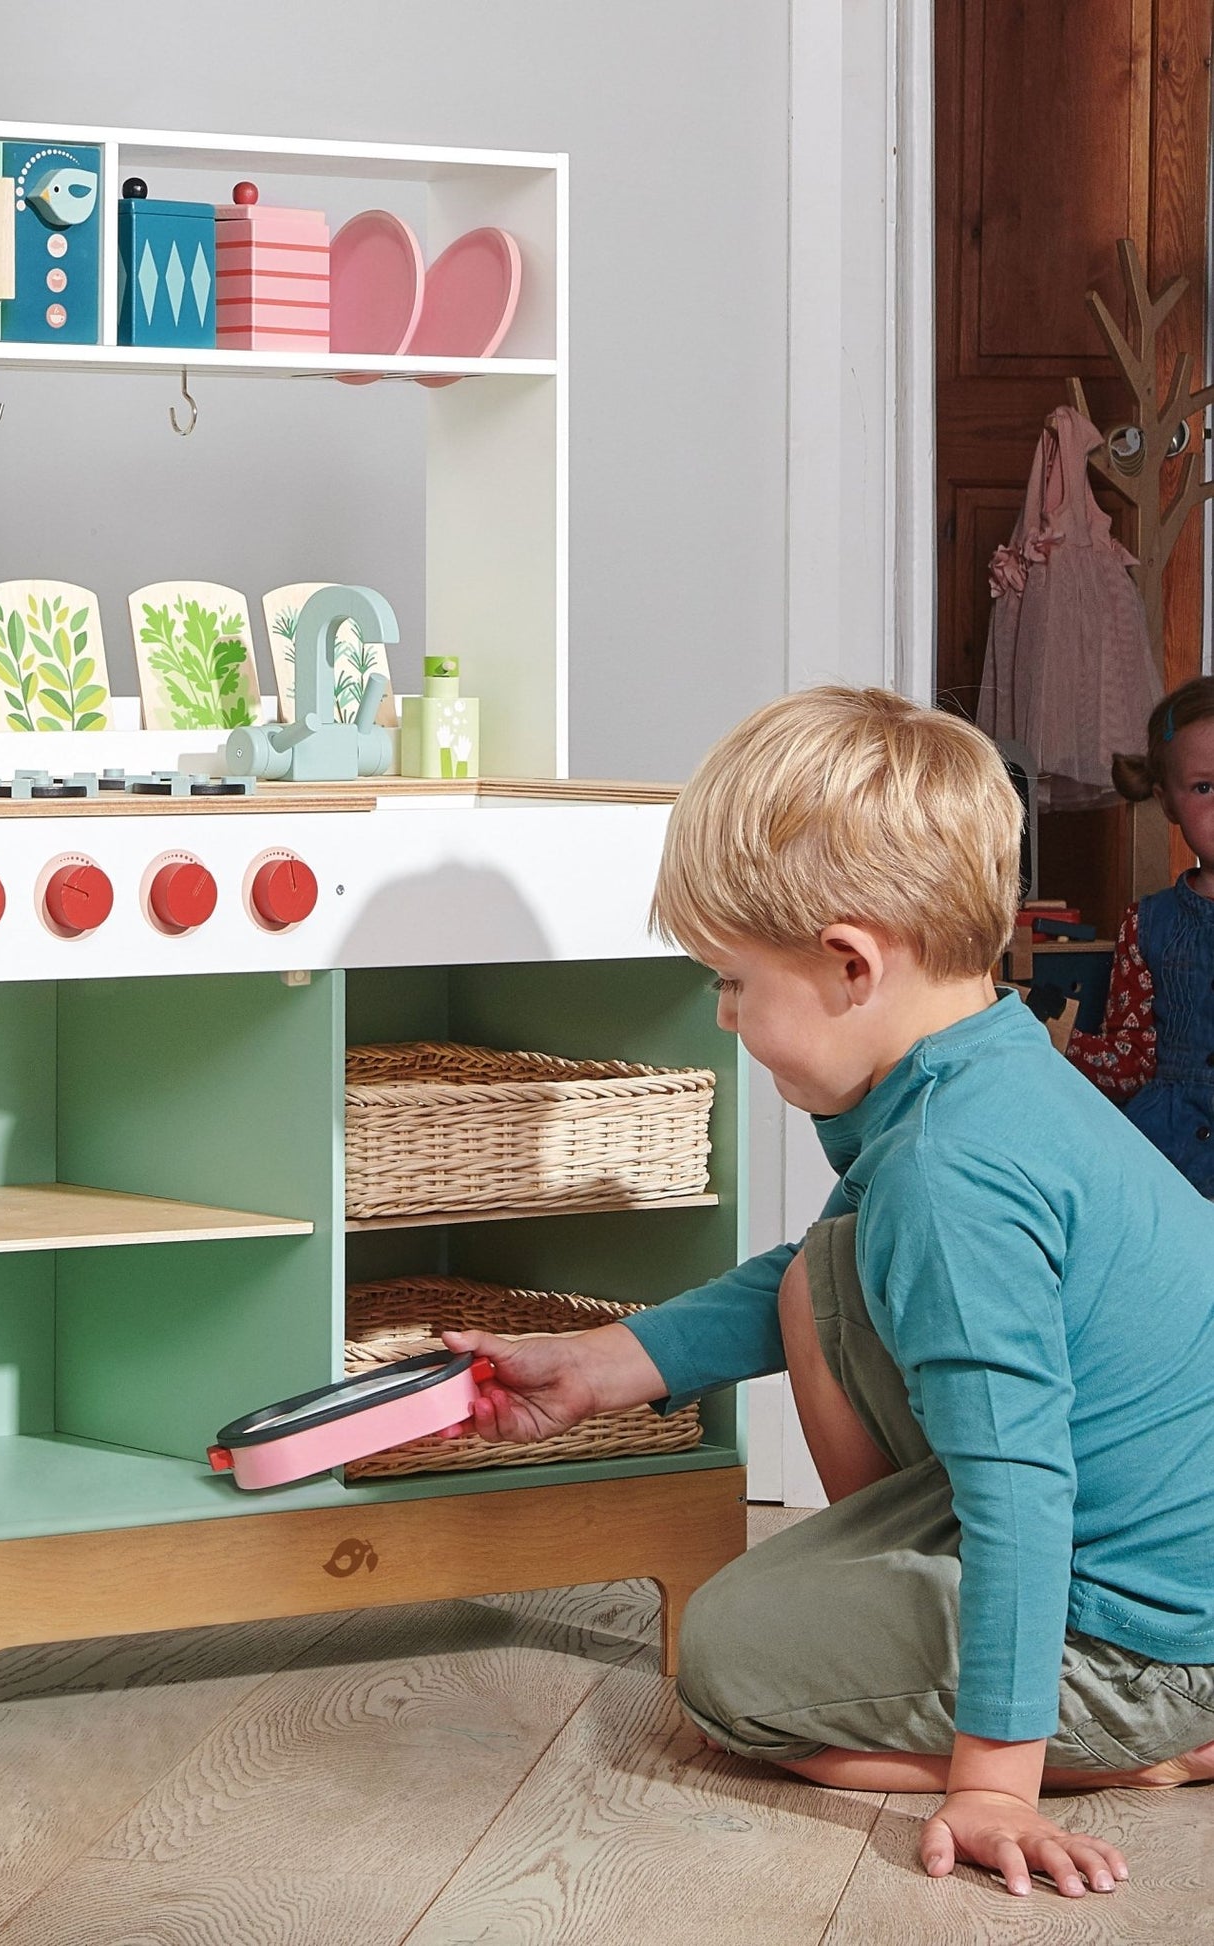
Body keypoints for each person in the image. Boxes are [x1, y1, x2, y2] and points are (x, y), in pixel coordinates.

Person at [445, 687, 1214, 1901]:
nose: (723, 1012)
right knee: (828, 1274)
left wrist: (992, 1785)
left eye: (734, 981)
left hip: (1140, 1639)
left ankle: (1131, 1743)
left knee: (727, 1668)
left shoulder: (948, 1173)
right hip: (1154, 1555)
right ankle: (1034, 1687)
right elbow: (822, 1273)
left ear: (849, 963)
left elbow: (1020, 1485)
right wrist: (604, 1365)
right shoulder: (984, 1067)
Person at [1064, 677, 1214, 1195]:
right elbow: (1130, 1063)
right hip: (1164, 1159)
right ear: (1167, 802)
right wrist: (1050, 1039)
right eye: (1204, 787)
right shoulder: (1147, 923)